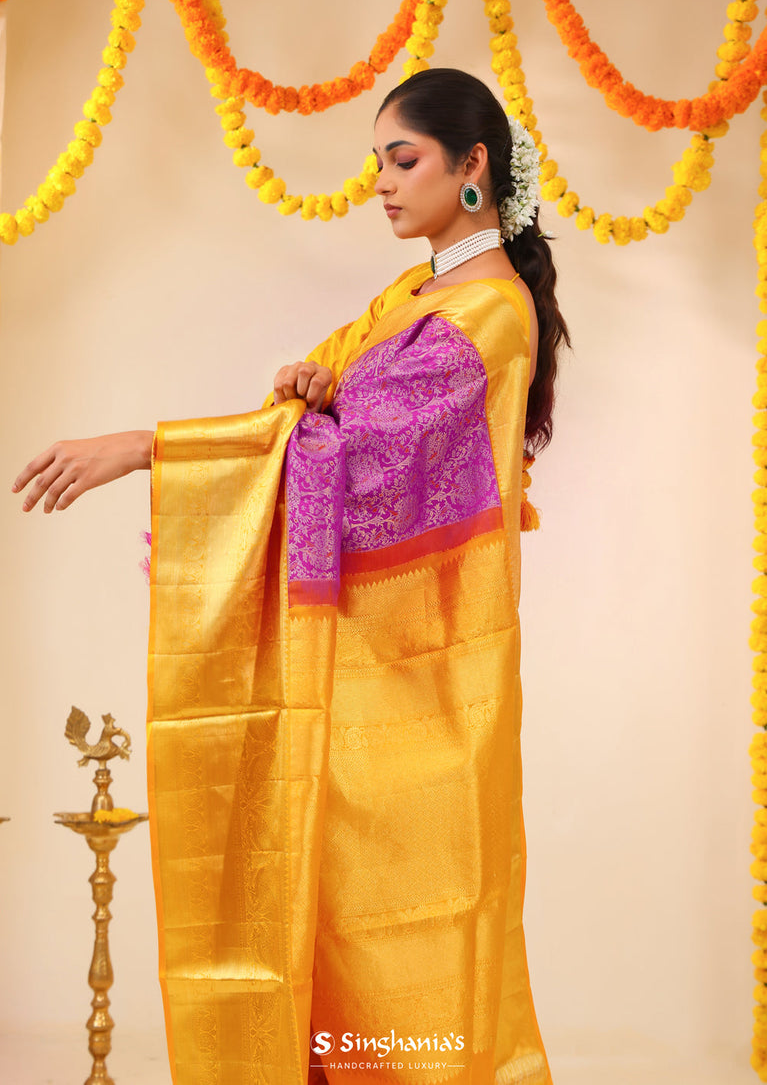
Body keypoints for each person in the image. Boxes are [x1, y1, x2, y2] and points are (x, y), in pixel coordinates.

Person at [13, 69, 569, 1085]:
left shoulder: (485, 315)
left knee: (394, 954)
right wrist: (307, 389)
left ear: (472, 164)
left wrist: (144, 448)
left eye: (401, 159)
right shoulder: (416, 294)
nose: (380, 183)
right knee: (322, 940)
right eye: (376, 163)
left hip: (413, 693)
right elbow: (319, 417)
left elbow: (358, 471)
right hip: (351, 677)